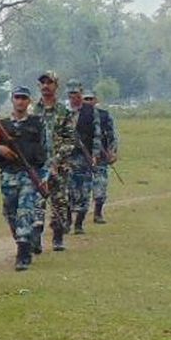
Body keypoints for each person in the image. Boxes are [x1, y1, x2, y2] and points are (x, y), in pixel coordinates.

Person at [0, 85, 50, 271]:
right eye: (17, 98)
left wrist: (44, 175)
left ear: (29, 101)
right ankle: (25, 240)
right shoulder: (2, 126)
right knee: (10, 213)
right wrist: (0, 150)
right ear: (12, 100)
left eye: (24, 98)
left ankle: (23, 253)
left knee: (25, 211)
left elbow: (47, 150)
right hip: (8, 176)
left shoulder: (38, 123)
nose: (20, 101)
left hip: (30, 174)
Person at [30, 71, 75, 252]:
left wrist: (57, 160)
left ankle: (58, 237)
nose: (46, 86)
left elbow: (70, 140)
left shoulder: (64, 111)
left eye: (49, 83)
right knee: (37, 202)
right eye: (43, 83)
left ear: (56, 86)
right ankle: (36, 238)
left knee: (59, 201)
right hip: (38, 166)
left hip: (60, 165)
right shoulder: (33, 110)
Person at [65, 81, 98, 234]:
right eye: (71, 95)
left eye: (76, 94)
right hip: (67, 157)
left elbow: (96, 135)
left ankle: (79, 223)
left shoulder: (90, 111)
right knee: (68, 191)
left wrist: (95, 155)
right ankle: (67, 220)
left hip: (85, 157)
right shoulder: (63, 111)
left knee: (85, 191)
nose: (74, 98)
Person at [84, 93, 119, 223]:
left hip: (100, 156)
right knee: (80, 189)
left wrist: (112, 152)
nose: (88, 101)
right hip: (82, 157)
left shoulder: (104, 116)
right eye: (85, 99)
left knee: (100, 186)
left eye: (90, 99)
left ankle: (98, 213)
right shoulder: (75, 116)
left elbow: (111, 135)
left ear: (96, 100)